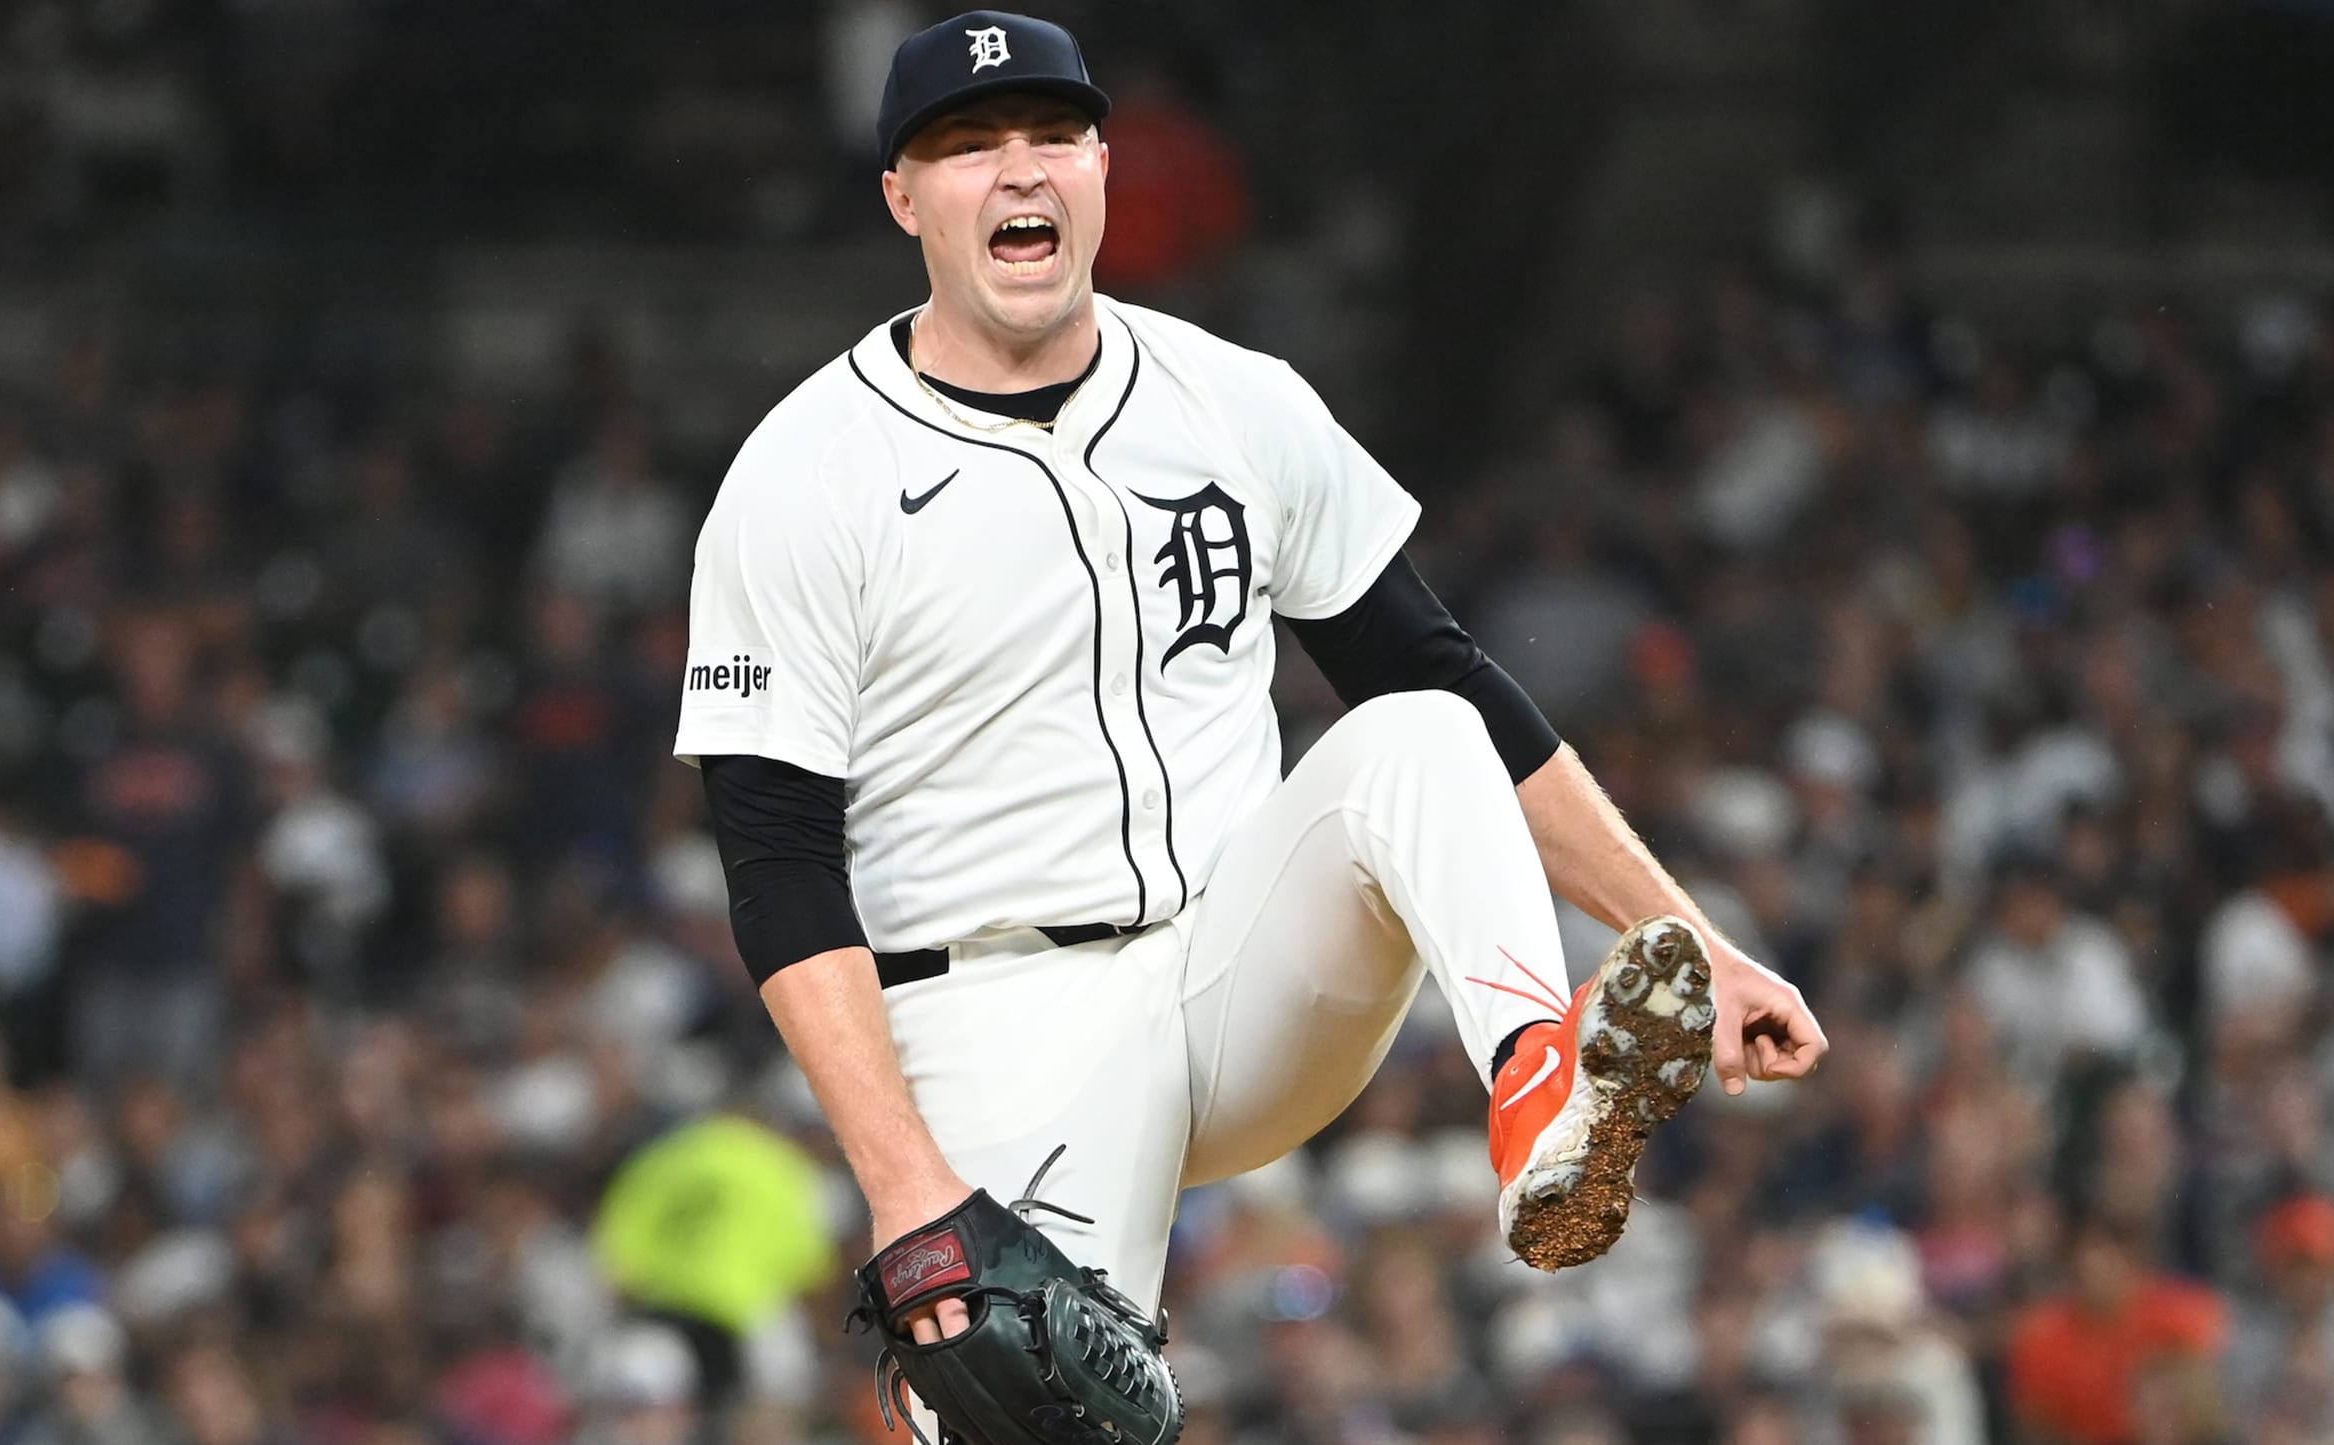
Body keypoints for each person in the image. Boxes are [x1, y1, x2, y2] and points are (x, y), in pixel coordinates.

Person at [674, 3, 1824, 1359]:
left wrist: (1694, 941)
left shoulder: (1234, 399)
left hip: (1238, 962)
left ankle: (1537, 1075)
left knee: (1420, 726)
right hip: (990, 1014)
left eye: (1053, 134)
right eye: (969, 145)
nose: (1020, 168)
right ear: (903, 196)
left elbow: (1439, 668)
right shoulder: (805, 473)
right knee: (1031, 1410)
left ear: (1104, 167)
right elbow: (777, 859)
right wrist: (900, 1176)